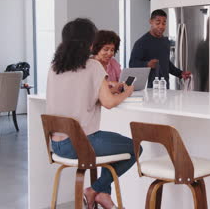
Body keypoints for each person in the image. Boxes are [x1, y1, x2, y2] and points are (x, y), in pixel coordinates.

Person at [46, 18, 140, 209]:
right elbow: (109, 103)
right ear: (88, 42)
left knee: (116, 145)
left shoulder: (54, 67)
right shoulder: (93, 66)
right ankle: (96, 190)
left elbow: (75, 94)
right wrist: (128, 91)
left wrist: (103, 89)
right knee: (135, 148)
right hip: (81, 144)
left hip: (56, 145)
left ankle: (101, 193)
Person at [129, 9, 191, 88]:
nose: (161, 26)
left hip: (165, 87)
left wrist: (180, 73)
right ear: (151, 22)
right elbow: (132, 64)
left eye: (164, 23)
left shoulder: (165, 41)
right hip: (149, 89)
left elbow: (166, 63)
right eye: (158, 23)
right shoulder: (141, 43)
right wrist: (147, 64)